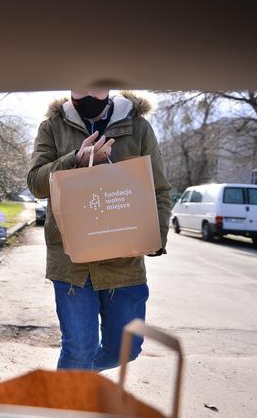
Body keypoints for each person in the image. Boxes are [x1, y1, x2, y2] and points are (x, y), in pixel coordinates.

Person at [27, 90, 171, 371]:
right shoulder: (52, 126)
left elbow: (159, 188)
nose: (88, 93)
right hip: (72, 262)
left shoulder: (138, 126)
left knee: (125, 350)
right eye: (81, 85)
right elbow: (36, 182)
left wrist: (157, 237)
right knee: (79, 349)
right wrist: (75, 160)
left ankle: (77, 378)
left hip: (124, 260)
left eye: (95, 85)